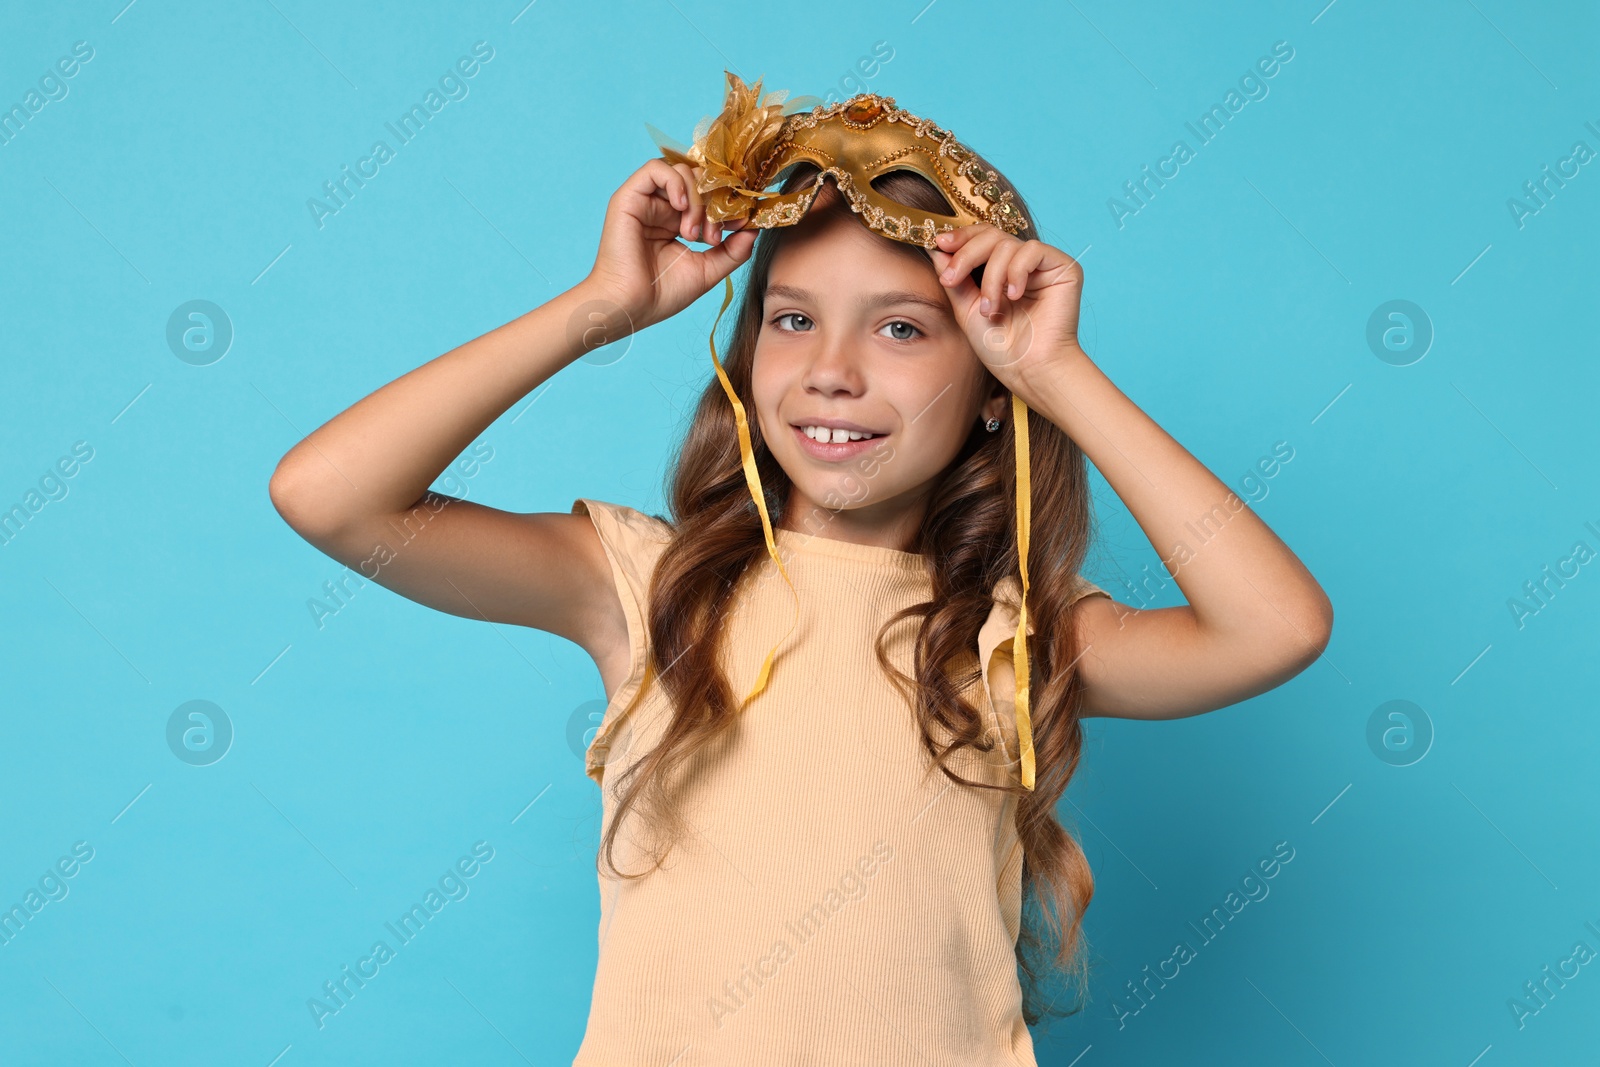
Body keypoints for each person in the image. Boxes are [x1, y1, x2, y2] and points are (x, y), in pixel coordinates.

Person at [269, 88, 1332, 1065]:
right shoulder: (644, 584)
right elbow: (331, 495)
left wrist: (1056, 371)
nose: (832, 366)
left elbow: (1273, 626)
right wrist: (600, 306)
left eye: (903, 327)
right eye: (792, 317)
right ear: (745, 351)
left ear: (990, 382)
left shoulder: (1012, 631)